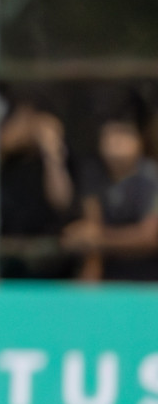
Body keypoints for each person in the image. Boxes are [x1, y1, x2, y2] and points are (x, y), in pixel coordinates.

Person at [63, 114, 158, 281]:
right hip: (109, 280)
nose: (115, 142)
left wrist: (99, 239)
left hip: (147, 279)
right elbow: (92, 223)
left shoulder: (150, 176)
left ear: (139, 141)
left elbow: (149, 237)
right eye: (109, 136)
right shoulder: (94, 174)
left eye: (123, 135)